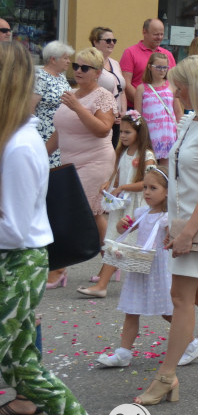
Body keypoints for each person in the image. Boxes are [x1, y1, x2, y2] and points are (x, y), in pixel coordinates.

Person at [0, 41, 120, 415]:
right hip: (17, 261)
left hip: (16, 265)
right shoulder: (16, 138)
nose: (78, 70)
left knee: (22, 367)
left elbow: (14, 230)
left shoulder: (17, 145)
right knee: (27, 373)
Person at [133, 56, 198, 405]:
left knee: (181, 297)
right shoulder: (191, 122)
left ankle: (166, 376)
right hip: (186, 221)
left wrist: (188, 231)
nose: (176, 91)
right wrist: (172, 222)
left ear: (197, 86)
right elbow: (177, 177)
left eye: (181, 85)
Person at [44, 47, 116, 290]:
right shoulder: (71, 93)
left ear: (97, 72)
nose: (78, 70)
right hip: (70, 163)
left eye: (85, 67)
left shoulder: (102, 95)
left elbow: (103, 129)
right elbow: (60, 131)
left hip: (94, 161)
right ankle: (113, 260)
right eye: (76, 65)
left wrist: (78, 108)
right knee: (93, 216)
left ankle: (59, 268)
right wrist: (41, 155)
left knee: (77, 212)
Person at [95, 165, 174, 368]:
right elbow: (125, 228)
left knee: (167, 311)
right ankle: (123, 352)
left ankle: (189, 342)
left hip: (158, 267)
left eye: (153, 188)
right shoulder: (141, 213)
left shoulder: (168, 218)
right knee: (131, 309)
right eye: (145, 187)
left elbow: (173, 237)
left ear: (168, 192)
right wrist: (122, 224)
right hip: (140, 265)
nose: (147, 192)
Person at [78, 110, 156, 298]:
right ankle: (104, 284)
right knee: (115, 242)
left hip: (136, 206)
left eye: (127, 132)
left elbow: (149, 183)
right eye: (121, 132)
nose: (123, 135)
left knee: (127, 246)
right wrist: (109, 183)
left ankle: (104, 285)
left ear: (139, 132)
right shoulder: (123, 152)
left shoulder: (146, 155)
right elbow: (118, 173)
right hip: (122, 205)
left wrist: (123, 186)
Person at [31, 40, 73, 168]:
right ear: (53, 59)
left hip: (61, 134)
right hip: (45, 134)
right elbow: (30, 107)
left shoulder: (61, 77)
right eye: (65, 58)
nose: (69, 61)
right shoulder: (40, 77)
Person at [120, 18, 176, 108]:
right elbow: (126, 84)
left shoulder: (167, 55)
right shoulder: (130, 52)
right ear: (144, 32)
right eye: (156, 34)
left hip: (164, 108)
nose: (160, 37)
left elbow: (173, 82)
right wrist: (147, 103)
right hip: (137, 107)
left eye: (162, 34)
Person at [139, 52, 183, 165]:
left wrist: (182, 133)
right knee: (149, 167)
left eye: (165, 67)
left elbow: (178, 111)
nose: (162, 70)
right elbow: (138, 116)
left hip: (168, 133)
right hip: (149, 134)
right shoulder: (141, 89)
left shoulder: (171, 86)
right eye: (158, 67)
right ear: (150, 67)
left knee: (166, 169)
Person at [90, 27, 126, 147]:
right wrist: (109, 114)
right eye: (108, 40)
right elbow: (90, 91)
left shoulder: (115, 63)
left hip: (116, 120)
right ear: (95, 42)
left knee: (112, 153)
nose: (112, 43)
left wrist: (123, 112)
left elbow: (122, 90)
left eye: (113, 40)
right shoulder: (90, 63)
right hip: (100, 118)